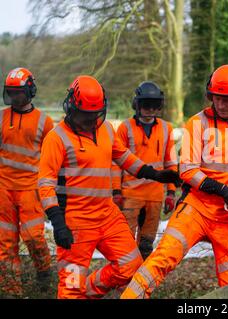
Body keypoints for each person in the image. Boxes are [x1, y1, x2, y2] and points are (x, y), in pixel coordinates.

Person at [121, 64, 228, 299]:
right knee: (162, 258)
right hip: (196, 208)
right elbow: (188, 171)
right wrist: (222, 189)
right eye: (216, 98)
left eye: (227, 99)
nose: (221, 105)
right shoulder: (198, 123)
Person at [38, 75, 180, 298]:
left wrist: (156, 174)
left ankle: (87, 291)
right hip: (75, 224)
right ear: (72, 106)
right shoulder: (56, 138)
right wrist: (57, 223)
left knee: (132, 266)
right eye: (85, 115)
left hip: (108, 217)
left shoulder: (105, 130)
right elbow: (45, 184)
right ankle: (76, 291)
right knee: (70, 287)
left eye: (94, 114)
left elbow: (124, 157)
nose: (90, 119)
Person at [0, 67, 53, 297]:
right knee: (4, 243)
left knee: (34, 237)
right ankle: (11, 289)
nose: (14, 97)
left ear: (29, 91)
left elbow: (53, 158)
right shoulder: (1, 117)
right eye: (11, 92)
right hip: (3, 189)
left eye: (18, 92)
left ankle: (44, 272)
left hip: (31, 189)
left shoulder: (44, 121)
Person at [114, 81, 178, 259]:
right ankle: (124, 280)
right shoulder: (125, 128)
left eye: (155, 105)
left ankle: (141, 280)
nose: (151, 109)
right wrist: (116, 191)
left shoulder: (166, 128)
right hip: (130, 195)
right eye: (147, 105)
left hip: (155, 196)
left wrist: (171, 193)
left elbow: (171, 162)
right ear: (138, 105)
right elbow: (115, 162)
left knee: (146, 243)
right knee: (125, 243)